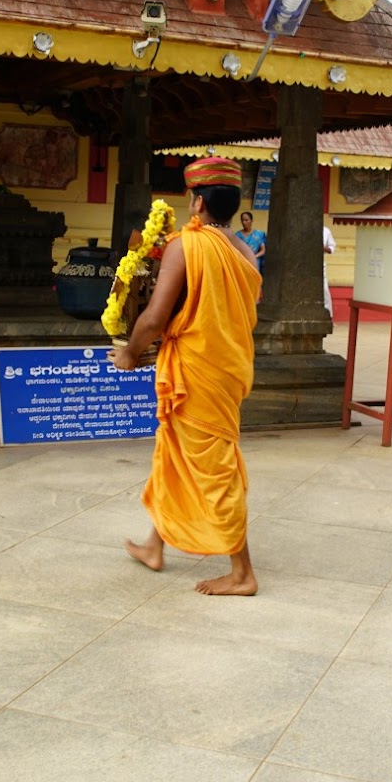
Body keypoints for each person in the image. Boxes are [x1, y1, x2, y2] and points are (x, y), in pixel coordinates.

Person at [110, 156, 263, 595]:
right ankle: (155, 545)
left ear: (197, 201)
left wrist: (130, 352)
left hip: (199, 371)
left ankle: (242, 573)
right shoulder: (244, 250)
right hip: (226, 367)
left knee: (214, 469)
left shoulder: (186, 245)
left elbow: (156, 317)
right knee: (173, 455)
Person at [321, 222, 336, 316]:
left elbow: (332, 247)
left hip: (320, 263)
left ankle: (328, 316)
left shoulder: (325, 231)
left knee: (324, 290)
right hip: (303, 264)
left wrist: (323, 248)